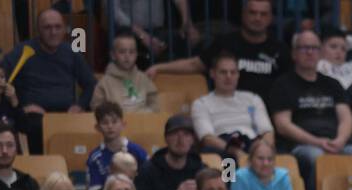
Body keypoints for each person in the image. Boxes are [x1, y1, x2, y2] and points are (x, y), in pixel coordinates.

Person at [269, 29, 352, 190]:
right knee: (315, 156)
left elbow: (346, 117)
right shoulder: (283, 84)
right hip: (303, 145)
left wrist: (340, 140)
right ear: (293, 53)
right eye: (304, 48)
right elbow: (283, 125)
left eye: (314, 48)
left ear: (320, 53)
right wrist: (317, 142)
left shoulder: (332, 84)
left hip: (336, 143)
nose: (309, 52)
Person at [2, 7, 97, 154]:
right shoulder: (22, 51)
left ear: (65, 29)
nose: (53, 32)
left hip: (67, 114)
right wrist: (21, 107)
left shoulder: (72, 52)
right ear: (38, 30)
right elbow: (1, 79)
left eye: (58, 27)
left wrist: (79, 105)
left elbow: (90, 84)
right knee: (36, 125)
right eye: (47, 27)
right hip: (34, 117)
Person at [150, 0, 288, 100]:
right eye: (252, 13)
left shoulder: (280, 49)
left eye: (263, 14)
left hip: (266, 115)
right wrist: (159, 67)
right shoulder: (226, 42)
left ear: (270, 18)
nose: (257, 18)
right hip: (227, 110)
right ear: (243, 15)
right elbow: (195, 64)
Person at [190, 51, 273, 164]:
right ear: (212, 73)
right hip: (223, 149)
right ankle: (228, 181)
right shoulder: (201, 103)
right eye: (223, 72)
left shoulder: (253, 99)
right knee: (226, 161)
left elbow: (267, 132)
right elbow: (207, 138)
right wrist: (235, 151)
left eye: (233, 72)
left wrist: (260, 151)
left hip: (251, 145)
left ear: (238, 75)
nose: (228, 76)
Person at [87, 103, 150, 190]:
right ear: (97, 127)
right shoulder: (95, 157)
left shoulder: (138, 151)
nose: (110, 126)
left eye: (114, 121)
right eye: (105, 123)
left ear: (123, 124)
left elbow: (149, 182)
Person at [92, 29, 161, 114]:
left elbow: (155, 104)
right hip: (116, 126)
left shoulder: (143, 79)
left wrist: (145, 114)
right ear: (113, 55)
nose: (127, 56)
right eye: (122, 52)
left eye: (131, 52)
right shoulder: (104, 83)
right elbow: (97, 109)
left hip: (142, 125)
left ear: (136, 54)